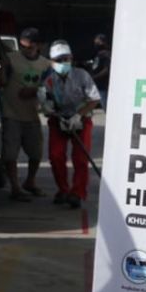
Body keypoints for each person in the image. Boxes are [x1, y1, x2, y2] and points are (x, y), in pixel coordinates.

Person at [42, 40, 101, 210]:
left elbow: (94, 99)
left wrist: (78, 116)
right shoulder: (49, 80)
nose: (63, 63)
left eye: (66, 59)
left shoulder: (82, 75)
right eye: (58, 60)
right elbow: (45, 101)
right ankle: (63, 189)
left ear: (72, 58)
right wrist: (49, 108)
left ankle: (77, 193)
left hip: (81, 120)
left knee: (81, 158)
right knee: (55, 156)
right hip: (58, 120)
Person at [0, 27, 51, 202]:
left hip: (32, 115)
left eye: (29, 47)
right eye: (23, 46)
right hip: (11, 113)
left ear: (38, 46)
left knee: (36, 153)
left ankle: (30, 181)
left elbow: (50, 87)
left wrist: (35, 90)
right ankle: (15, 187)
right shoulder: (10, 59)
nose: (25, 50)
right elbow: (2, 81)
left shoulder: (45, 64)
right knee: (10, 154)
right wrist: (2, 72)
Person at [89, 33, 111, 109]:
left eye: (98, 42)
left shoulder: (106, 54)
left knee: (106, 106)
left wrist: (95, 77)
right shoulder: (98, 54)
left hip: (104, 85)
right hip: (98, 85)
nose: (96, 44)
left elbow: (106, 70)